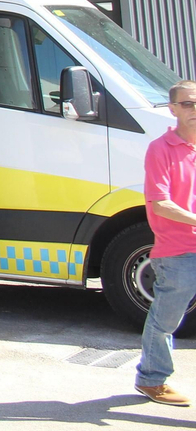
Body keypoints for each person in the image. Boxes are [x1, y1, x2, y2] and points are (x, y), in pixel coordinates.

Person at [133, 79, 196, 406]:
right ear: (172, 109)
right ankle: (151, 380)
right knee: (166, 320)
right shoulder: (160, 149)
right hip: (178, 252)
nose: (194, 109)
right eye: (187, 104)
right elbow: (159, 203)